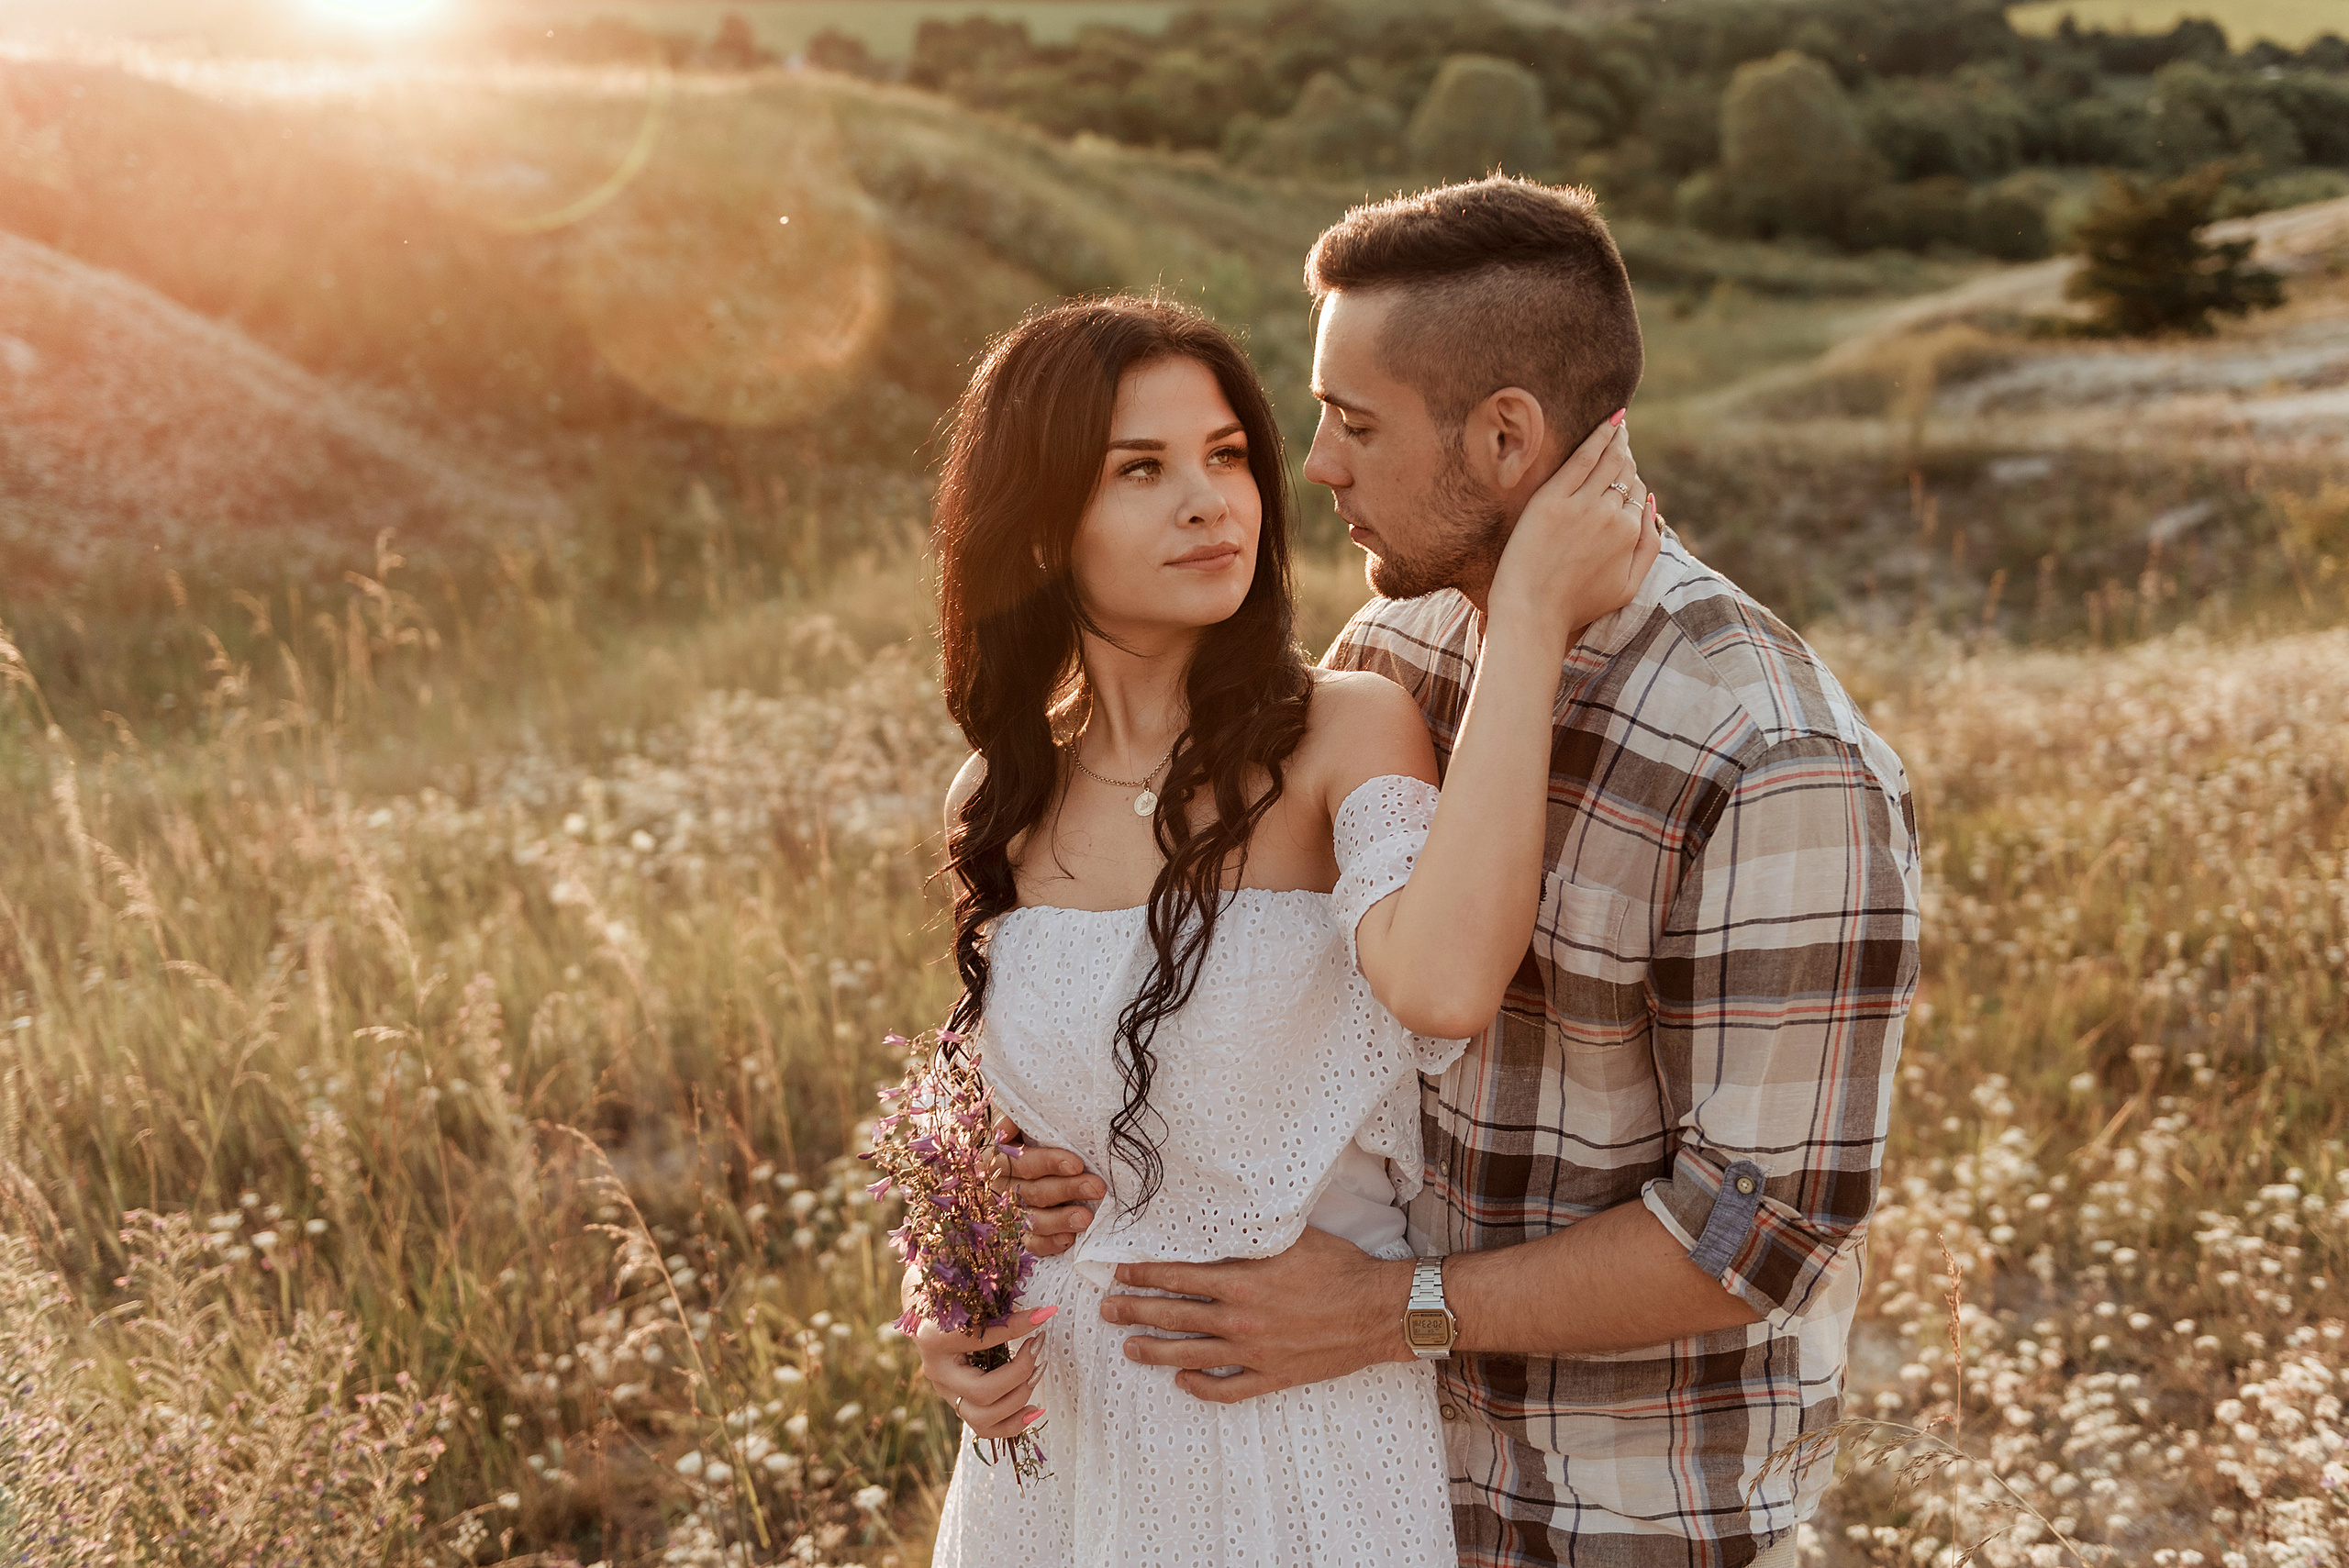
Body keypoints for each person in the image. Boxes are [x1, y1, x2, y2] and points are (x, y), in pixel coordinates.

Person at [989, 179, 1923, 1568]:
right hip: (1337, 1458)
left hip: (1609, 1508)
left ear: (1504, 438)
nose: (1313, 469)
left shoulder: (1774, 758)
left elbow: (1757, 1234)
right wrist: (1032, 1182)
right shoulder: (1400, 646)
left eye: (1352, 423)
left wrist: (1385, 1311)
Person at [914, 292, 1659, 1568]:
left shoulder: (1345, 731)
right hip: (1058, 1452)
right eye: (1140, 470)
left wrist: (1527, 616)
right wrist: (948, 1309)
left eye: (1225, 457)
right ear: (1038, 527)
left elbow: (1442, 981)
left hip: (1299, 1436)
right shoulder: (998, 798)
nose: (1211, 502)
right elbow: (983, 1135)